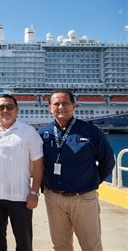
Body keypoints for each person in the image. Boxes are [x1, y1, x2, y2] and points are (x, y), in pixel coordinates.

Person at [38, 90, 115, 251]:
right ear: (49, 108)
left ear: (74, 106)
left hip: (84, 198)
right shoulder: (42, 133)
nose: (61, 107)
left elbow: (107, 160)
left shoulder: (90, 131)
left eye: (65, 103)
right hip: (54, 198)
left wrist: (92, 181)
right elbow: (37, 163)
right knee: (60, 246)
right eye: (56, 104)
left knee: (90, 246)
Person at [0, 94, 44, 251]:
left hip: (20, 197)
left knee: (24, 241)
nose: (5, 110)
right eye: (1, 107)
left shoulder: (28, 132)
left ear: (17, 110)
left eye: (9, 107)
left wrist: (34, 192)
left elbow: (38, 164)